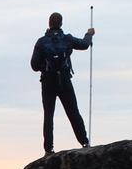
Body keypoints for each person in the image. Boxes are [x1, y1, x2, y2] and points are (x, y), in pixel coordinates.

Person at [30, 12, 95, 154]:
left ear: (49, 24)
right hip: (64, 80)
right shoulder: (67, 39)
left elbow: (34, 66)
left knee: (49, 115)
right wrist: (89, 34)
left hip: (47, 82)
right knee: (73, 112)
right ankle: (84, 141)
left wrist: (44, 66)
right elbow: (84, 45)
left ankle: (49, 149)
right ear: (61, 24)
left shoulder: (41, 42)